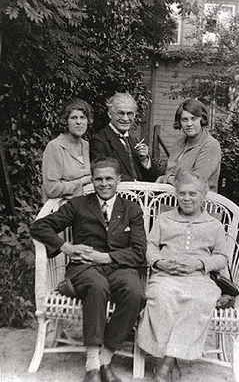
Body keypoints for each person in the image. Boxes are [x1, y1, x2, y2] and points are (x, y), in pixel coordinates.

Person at [31, 158, 146, 382]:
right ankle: (92, 364)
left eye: (109, 179)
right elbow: (39, 226)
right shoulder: (79, 205)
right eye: (98, 179)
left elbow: (139, 251)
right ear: (92, 181)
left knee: (135, 293)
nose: (103, 184)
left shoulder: (131, 208)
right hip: (84, 267)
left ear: (118, 180)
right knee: (97, 286)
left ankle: (106, 357)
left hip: (118, 266)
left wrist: (107, 257)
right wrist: (67, 247)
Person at [137, 171, 228, 382]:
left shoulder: (213, 225)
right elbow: (150, 246)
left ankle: (166, 363)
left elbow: (222, 257)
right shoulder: (163, 219)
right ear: (176, 195)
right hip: (166, 275)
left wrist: (199, 263)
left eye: (193, 194)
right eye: (182, 193)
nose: (187, 198)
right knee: (160, 296)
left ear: (203, 196)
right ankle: (173, 360)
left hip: (199, 278)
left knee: (197, 300)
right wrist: (160, 262)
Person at [90, 92, 159, 182]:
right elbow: (102, 173)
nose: (126, 119)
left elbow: (150, 179)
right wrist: (135, 183)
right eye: (121, 113)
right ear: (110, 114)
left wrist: (145, 160)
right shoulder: (99, 140)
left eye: (130, 114)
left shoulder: (133, 141)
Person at [156, 99, 221, 192]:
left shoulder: (211, 145)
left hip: (201, 202)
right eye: (184, 120)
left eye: (193, 119)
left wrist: (168, 179)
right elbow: (169, 172)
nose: (189, 124)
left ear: (202, 119)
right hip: (175, 199)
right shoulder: (179, 143)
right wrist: (167, 178)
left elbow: (194, 182)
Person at [42, 98, 93, 202]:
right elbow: (52, 189)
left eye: (83, 118)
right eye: (74, 118)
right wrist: (82, 182)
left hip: (87, 206)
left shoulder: (87, 146)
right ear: (66, 121)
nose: (79, 122)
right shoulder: (55, 147)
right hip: (62, 206)